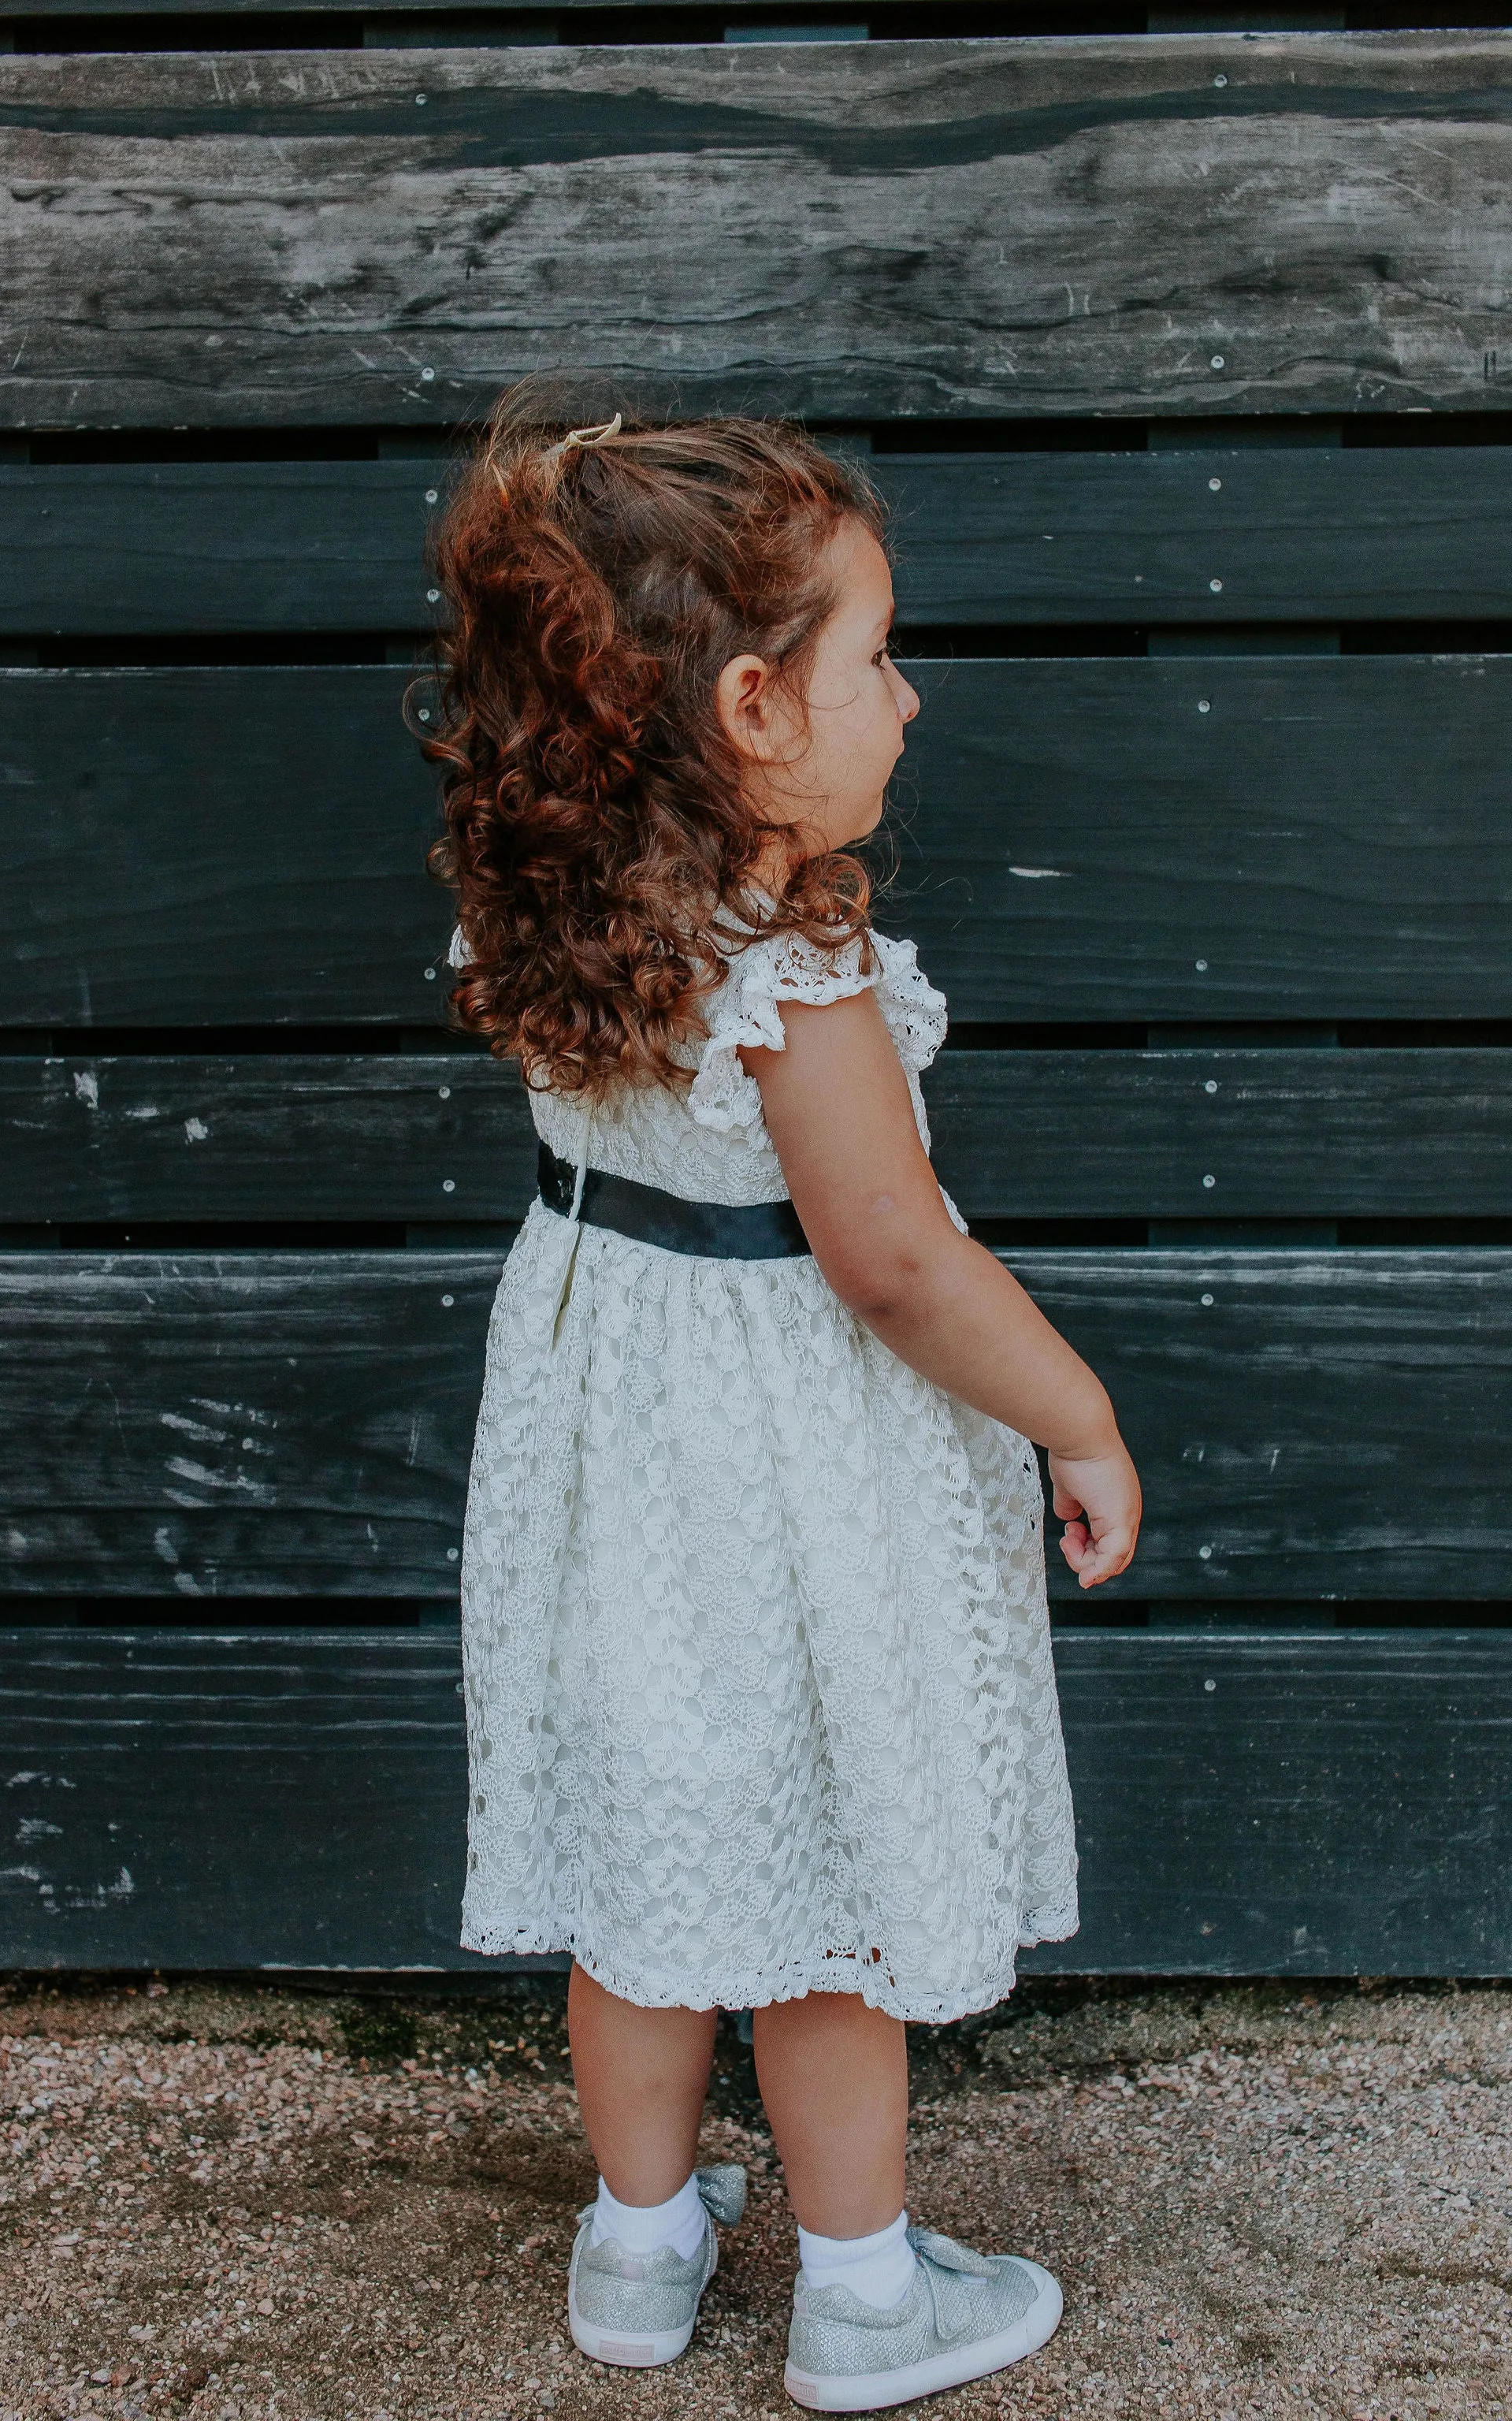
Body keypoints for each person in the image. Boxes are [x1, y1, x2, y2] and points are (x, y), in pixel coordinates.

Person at [417, 389, 1142, 2413]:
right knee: (823, 1873)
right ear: (751, 709)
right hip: (781, 1458)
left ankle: (639, 2250)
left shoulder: (545, 911)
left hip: (600, 1429)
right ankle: (860, 2294)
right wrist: (1074, 1410)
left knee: (646, 1856)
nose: (905, 702)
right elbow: (893, 1262)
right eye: (877, 658)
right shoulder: (790, 980)